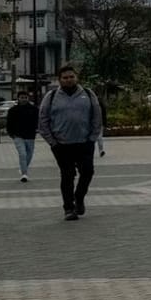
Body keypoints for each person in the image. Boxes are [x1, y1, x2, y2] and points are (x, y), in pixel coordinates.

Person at [39, 65, 105, 221]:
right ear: (60, 80)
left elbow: (97, 117)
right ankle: (69, 208)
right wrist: (52, 142)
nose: (69, 80)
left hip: (84, 143)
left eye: (71, 77)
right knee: (67, 175)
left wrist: (92, 138)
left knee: (87, 172)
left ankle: (79, 197)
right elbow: (43, 120)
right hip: (61, 144)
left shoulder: (88, 95)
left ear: (76, 78)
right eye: (65, 77)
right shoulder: (52, 96)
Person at [6, 90, 40, 182]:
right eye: (22, 98)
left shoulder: (34, 109)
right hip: (18, 136)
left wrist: (37, 129)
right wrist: (11, 133)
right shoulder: (13, 110)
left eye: (25, 98)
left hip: (30, 136)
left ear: (28, 98)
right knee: (22, 154)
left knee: (29, 155)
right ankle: (24, 174)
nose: (24, 99)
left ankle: (23, 168)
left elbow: (38, 121)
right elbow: (9, 123)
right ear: (18, 98)